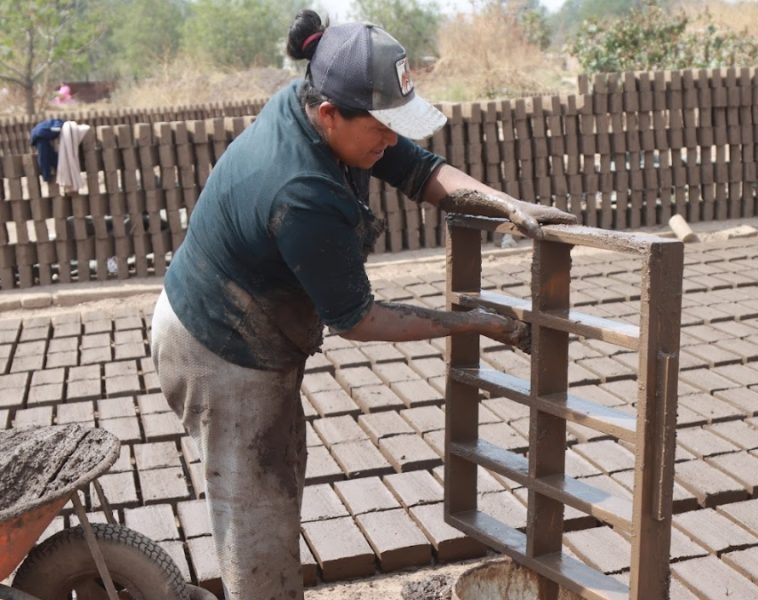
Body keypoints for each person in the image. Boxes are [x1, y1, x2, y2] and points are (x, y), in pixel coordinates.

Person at [150, 9, 576, 600]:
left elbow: (419, 170)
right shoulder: (301, 191)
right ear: (329, 114)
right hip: (218, 348)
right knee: (255, 511)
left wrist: (505, 205)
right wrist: (477, 323)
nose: (391, 139)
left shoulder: (328, 115)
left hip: (252, 323)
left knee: (277, 476)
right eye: (382, 127)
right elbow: (358, 319)